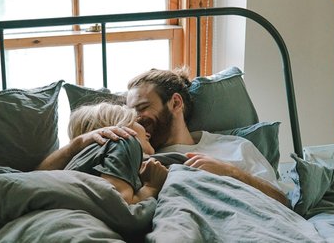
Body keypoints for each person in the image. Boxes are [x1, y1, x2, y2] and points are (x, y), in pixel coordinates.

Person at [37, 67, 288, 207]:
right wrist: (79, 143)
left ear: (175, 103)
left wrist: (230, 172)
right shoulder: (130, 150)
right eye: (129, 111)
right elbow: (44, 178)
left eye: (142, 107)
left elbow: (284, 203)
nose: (134, 117)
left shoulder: (235, 147)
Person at [39, 102, 168, 205]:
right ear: (117, 126)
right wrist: (151, 188)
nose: (148, 133)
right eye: (137, 122)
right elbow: (122, 208)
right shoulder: (122, 143)